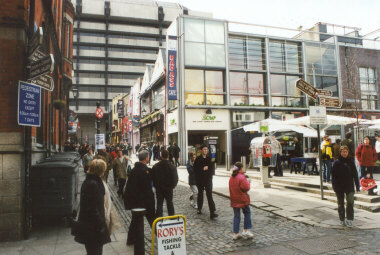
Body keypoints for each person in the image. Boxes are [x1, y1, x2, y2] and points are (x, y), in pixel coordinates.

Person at [73, 159, 111, 254]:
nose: (104, 172)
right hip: (93, 228)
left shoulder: (92, 181)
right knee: (95, 251)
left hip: (93, 227)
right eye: (103, 170)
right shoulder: (92, 184)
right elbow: (92, 209)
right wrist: (101, 223)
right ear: (99, 170)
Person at [123, 150, 155, 246]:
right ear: (146, 158)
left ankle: (130, 239)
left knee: (135, 221)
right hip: (144, 202)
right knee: (153, 220)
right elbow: (147, 189)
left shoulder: (134, 170)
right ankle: (163, 239)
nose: (148, 159)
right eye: (148, 157)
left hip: (136, 202)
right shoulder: (144, 171)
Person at [331, 146, 360, 227]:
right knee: (340, 204)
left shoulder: (351, 162)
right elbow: (333, 176)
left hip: (349, 185)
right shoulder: (337, 163)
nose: (344, 153)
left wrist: (357, 185)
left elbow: (355, 174)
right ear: (340, 152)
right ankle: (342, 219)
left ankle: (349, 219)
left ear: (348, 152)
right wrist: (334, 186)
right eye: (343, 152)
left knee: (350, 202)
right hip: (339, 186)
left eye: (346, 152)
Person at [229, 162, 253, 240]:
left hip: (234, 199)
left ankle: (236, 234)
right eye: (243, 167)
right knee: (247, 212)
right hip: (242, 199)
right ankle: (246, 230)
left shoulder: (232, 177)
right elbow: (246, 188)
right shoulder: (242, 177)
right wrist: (248, 182)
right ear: (240, 168)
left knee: (236, 216)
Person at [151, 149, 178, 217]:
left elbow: (152, 178)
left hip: (159, 188)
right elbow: (175, 178)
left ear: (161, 155)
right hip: (169, 188)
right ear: (168, 156)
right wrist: (172, 186)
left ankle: (159, 220)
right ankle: (172, 218)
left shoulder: (155, 166)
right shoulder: (172, 166)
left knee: (159, 204)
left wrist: (156, 185)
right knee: (170, 203)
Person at [194, 144, 218, 219]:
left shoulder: (209, 158)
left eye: (206, 149)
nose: (206, 151)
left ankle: (212, 212)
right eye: (204, 149)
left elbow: (212, 169)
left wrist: (209, 175)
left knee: (209, 195)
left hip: (208, 180)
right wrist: (202, 169)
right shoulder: (198, 159)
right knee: (200, 194)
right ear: (201, 150)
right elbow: (195, 170)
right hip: (200, 180)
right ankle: (199, 208)